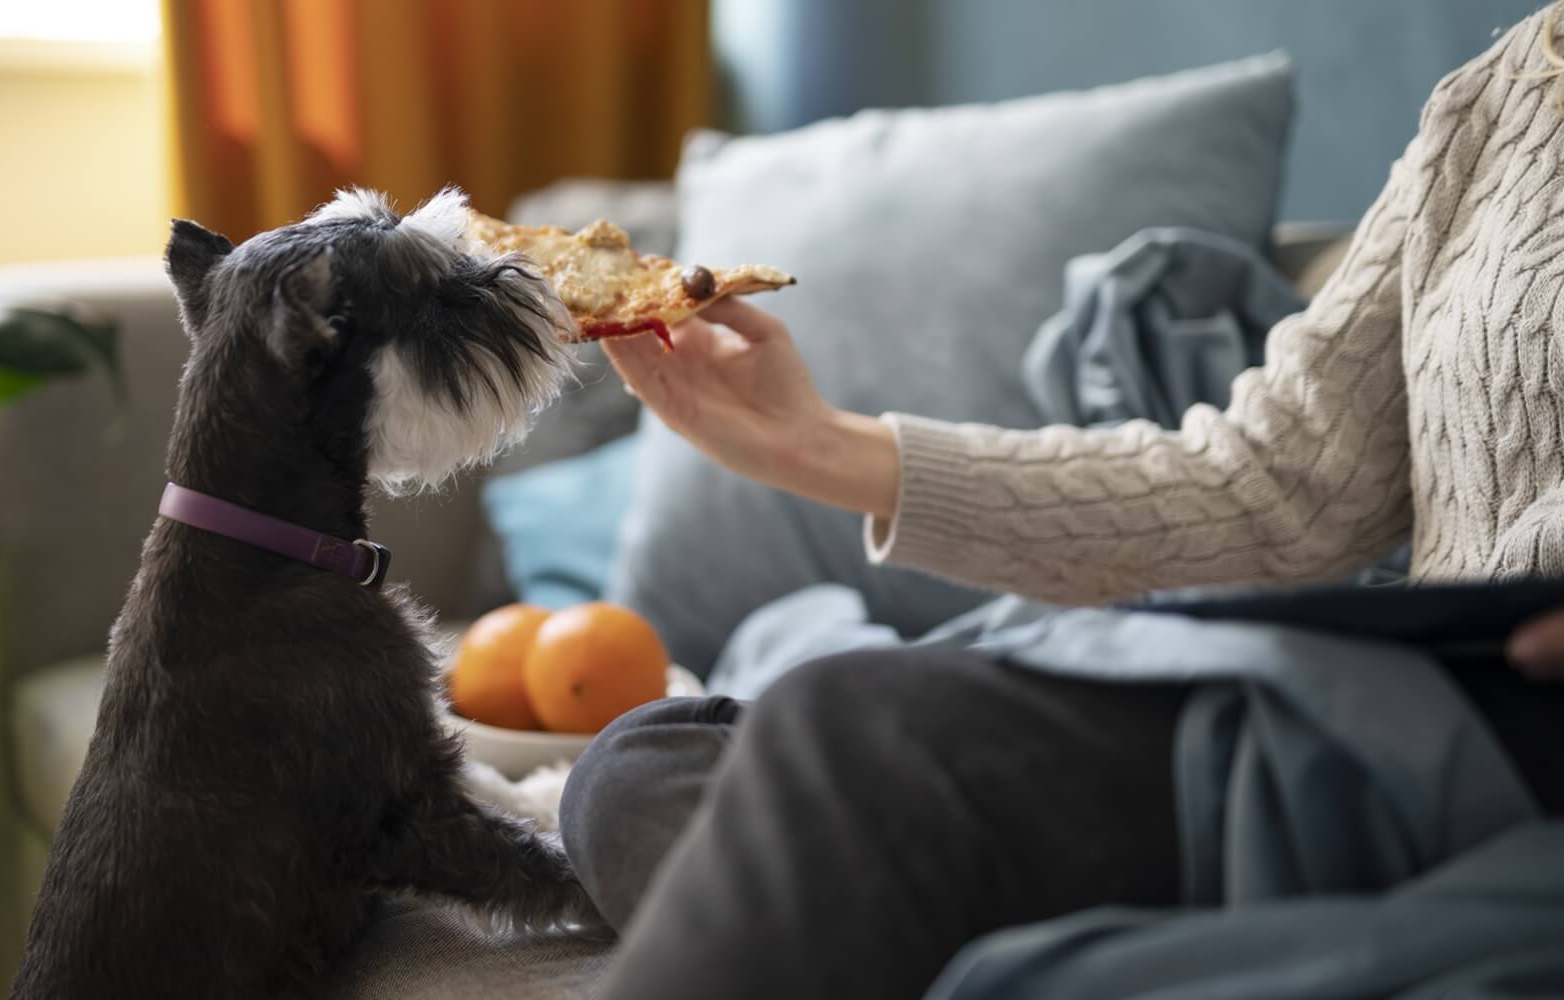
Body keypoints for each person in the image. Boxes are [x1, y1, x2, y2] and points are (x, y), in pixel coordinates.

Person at [559, 7, 1564, 999]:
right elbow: (1272, 486)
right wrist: (817, 447)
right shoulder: (1504, 92)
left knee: (849, 749)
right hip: (1388, 712)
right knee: (642, 771)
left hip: (1483, 761)